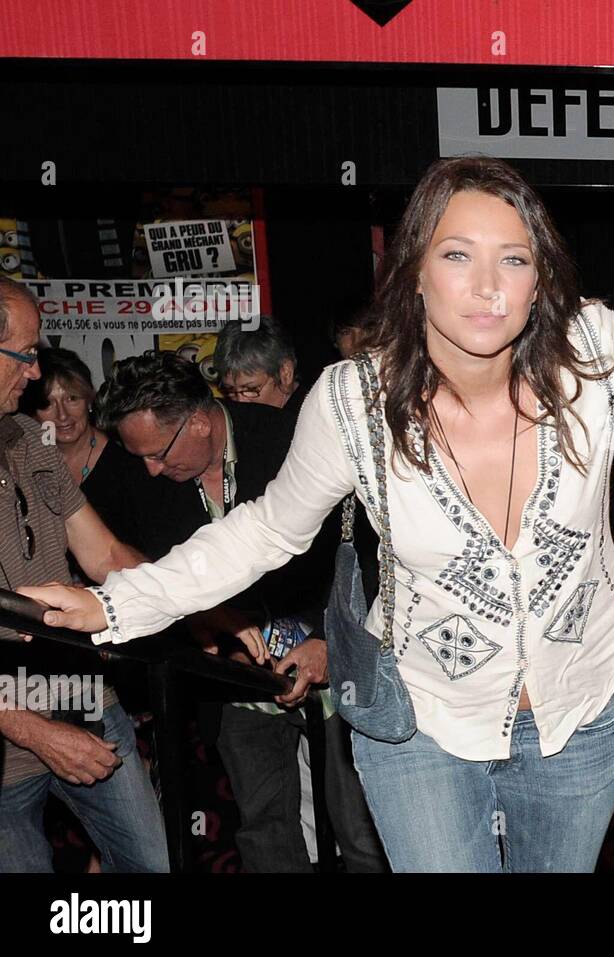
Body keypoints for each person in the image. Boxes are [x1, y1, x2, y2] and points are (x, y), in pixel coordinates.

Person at [24, 157, 614, 873]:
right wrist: (115, 602)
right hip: (421, 724)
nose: (486, 286)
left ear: (540, 279)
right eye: (456, 255)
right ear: (414, 270)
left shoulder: (600, 355)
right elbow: (265, 530)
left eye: (513, 258)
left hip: (578, 713)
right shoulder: (355, 401)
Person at [86, 350, 384, 872]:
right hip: (232, 681)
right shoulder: (135, 472)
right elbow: (124, 561)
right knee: (264, 829)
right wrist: (198, 627)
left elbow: (372, 550)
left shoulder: (290, 437)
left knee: (360, 829)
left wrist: (333, 641)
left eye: (159, 453)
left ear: (199, 419)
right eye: (142, 458)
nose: (151, 470)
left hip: (336, 666)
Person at [0, 278, 167, 872]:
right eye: (25, 353)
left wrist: (205, 604)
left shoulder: (31, 440)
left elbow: (106, 558)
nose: (36, 370)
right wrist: (35, 732)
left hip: (85, 699)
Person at [18, 347, 154, 562]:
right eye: (47, 403)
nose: (62, 415)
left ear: (89, 400)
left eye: (72, 398)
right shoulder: (23, 463)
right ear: (33, 413)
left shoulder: (129, 462)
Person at [213, 314, 303, 416]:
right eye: (230, 390)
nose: (240, 401)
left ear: (286, 373)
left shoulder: (313, 418)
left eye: (251, 389)